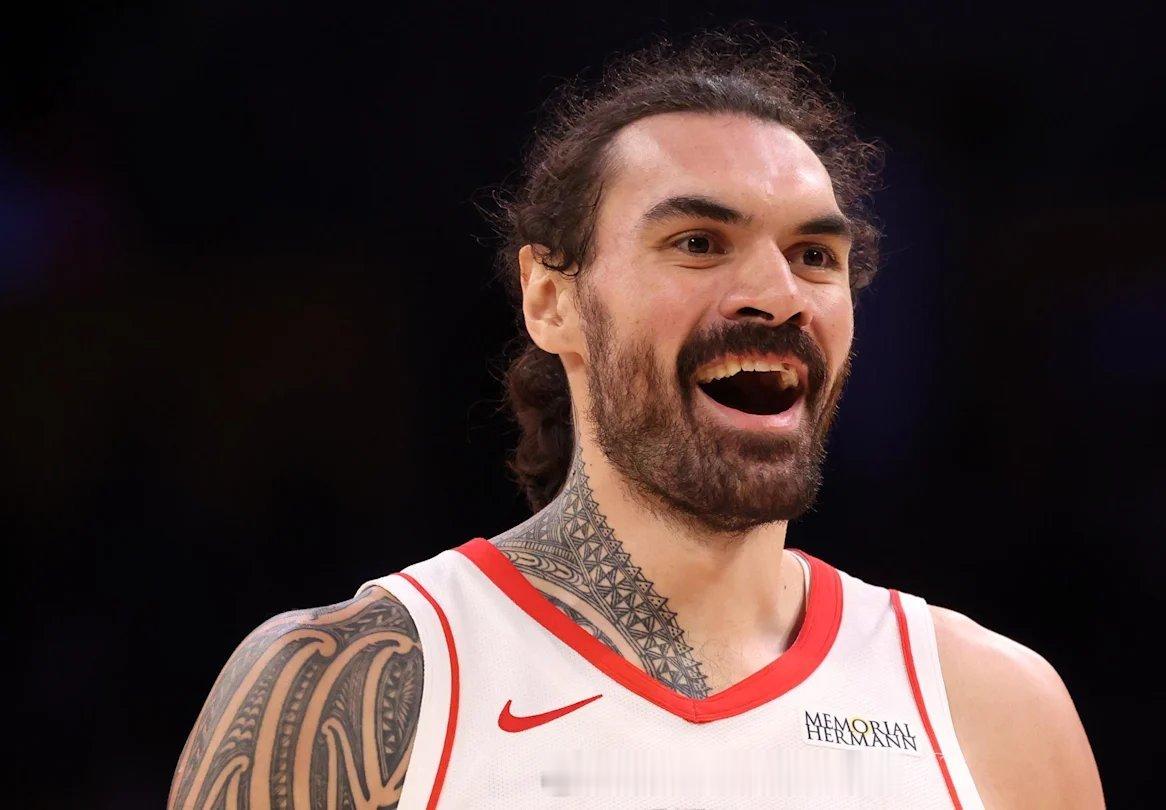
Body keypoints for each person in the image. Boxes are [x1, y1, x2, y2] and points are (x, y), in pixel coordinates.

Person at [169, 29, 1104, 809]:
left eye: (815, 255)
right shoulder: (351, 685)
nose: (779, 294)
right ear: (551, 300)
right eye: (699, 242)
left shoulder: (996, 711)